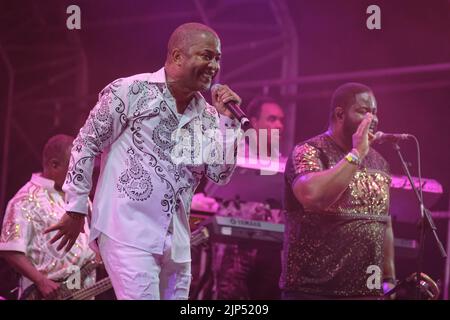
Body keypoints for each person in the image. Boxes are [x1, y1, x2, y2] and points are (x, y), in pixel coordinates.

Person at [45, 22, 242, 300]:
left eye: (218, 58)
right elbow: (86, 144)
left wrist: (228, 123)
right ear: (177, 56)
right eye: (206, 55)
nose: (214, 65)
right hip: (127, 230)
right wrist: (76, 208)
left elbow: (220, 175)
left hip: (177, 241)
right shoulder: (129, 91)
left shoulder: (210, 117)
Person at [281, 82, 396, 299]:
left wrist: (389, 279)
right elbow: (313, 197)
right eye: (364, 111)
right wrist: (356, 154)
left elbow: (384, 222)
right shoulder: (310, 151)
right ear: (340, 114)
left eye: (375, 112)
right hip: (313, 290)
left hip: (366, 291)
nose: (373, 119)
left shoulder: (380, 163)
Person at [0, 134, 96, 299]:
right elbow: (9, 249)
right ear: (54, 165)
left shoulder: (80, 199)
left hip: (84, 291)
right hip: (46, 294)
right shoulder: (25, 199)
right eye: (75, 168)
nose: (80, 175)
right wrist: (41, 281)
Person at [212, 96, 285, 300]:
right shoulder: (235, 154)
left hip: (270, 250)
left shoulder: (282, 163)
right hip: (233, 247)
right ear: (254, 122)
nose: (279, 125)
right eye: (272, 119)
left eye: (281, 120)